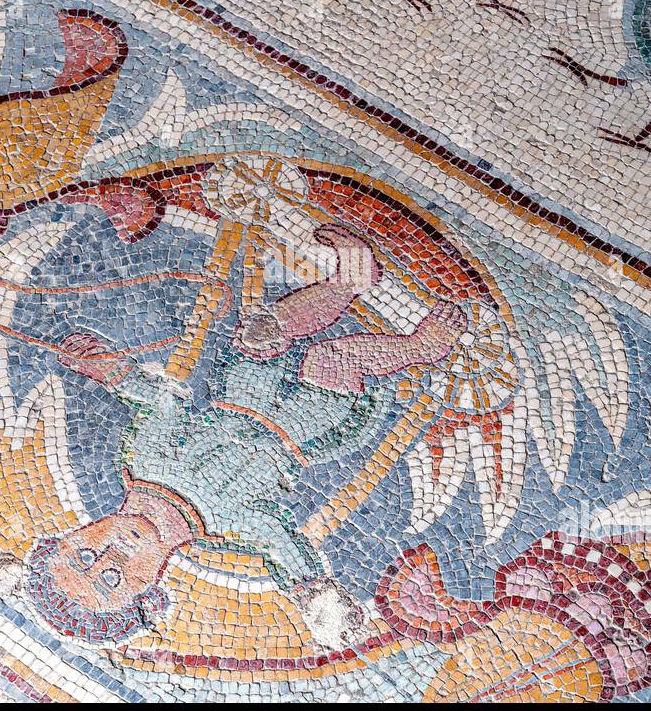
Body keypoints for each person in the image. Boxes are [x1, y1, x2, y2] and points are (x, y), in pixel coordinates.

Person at [26, 223, 467, 644]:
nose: (109, 556)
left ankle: (350, 280)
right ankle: (420, 348)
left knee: (262, 332)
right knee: (329, 360)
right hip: (302, 428)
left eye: (83, 556)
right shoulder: (232, 523)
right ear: (150, 593)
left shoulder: (141, 459)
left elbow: (164, 402)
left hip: (240, 390)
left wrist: (111, 371)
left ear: (71, 536)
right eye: (111, 578)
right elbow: (283, 544)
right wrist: (316, 597)